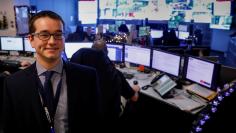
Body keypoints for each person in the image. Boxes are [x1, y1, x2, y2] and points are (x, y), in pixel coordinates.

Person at [2, 10, 102, 133]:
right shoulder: (13, 84)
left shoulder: (87, 77)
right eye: (44, 35)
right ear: (31, 39)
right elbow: (9, 127)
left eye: (58, 35)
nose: (52, 41)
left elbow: (95, 123)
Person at [70, 39, 140, 121]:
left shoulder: (80, 71)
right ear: (106, 54)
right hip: (108, 116)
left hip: (83, 118)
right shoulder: (115, 73)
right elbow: (134, 98)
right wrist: (135, 88)